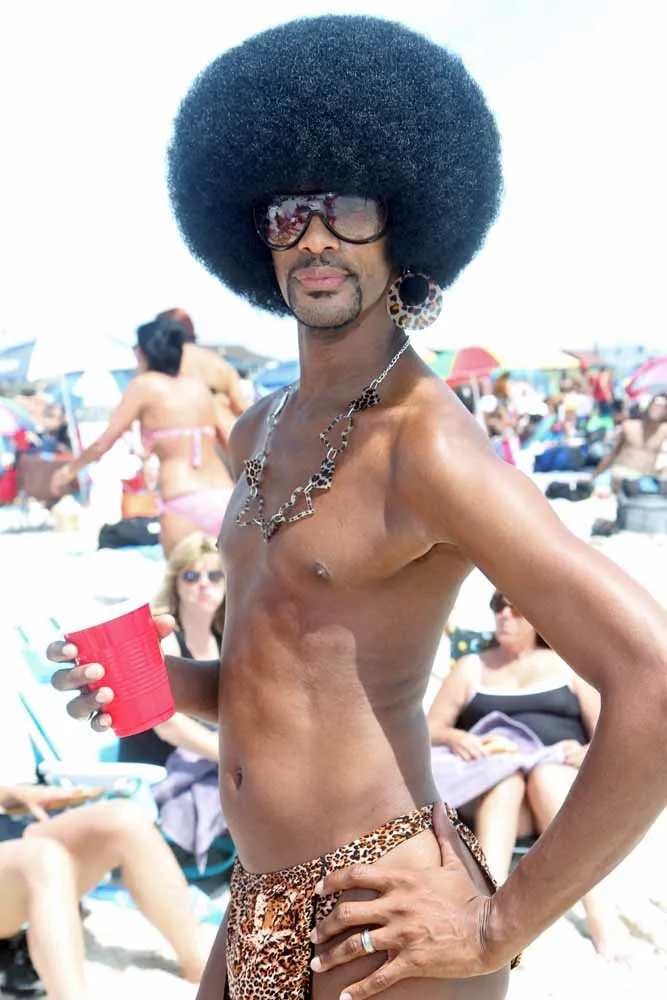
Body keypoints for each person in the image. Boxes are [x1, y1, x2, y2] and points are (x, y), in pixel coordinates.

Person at [49, 15, 667, 1000]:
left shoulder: (427, 447)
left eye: (344, 206)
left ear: (405, 220)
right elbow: (288, 676)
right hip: (258, 900)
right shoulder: (256, 429)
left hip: (380, 915)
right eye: (286, 213)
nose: (315, 237)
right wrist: (165, 683)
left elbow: (651, 677)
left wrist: (499, 922)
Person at [427, 591, 625, 958]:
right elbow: (430, 728)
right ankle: (489, 914)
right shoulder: (471, 667)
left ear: (536, 615)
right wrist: (456, 737)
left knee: (544, 776)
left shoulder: (568, 664)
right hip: (499, 789)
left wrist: (585, 752)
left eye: (516, 607)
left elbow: (610, 732)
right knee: (508, 782)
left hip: (560, 787)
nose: (505, 614)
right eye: (497, 606)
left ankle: (599, 915)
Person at [51, 317, 234, 553]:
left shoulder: (144, 386)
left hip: (181, 496)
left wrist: (69, 471)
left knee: (181, 574)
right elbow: (231, 440)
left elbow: (102, 444)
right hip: (223, 496)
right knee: (223, 574)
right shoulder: (199, 389)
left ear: (141, 352)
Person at [119, 531, 224, 766]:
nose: (203, 584)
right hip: (158, 769)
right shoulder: (163, 637)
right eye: (191, 576)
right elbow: (168, 725)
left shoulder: (225, 638)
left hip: (204, 765)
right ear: (175, 584)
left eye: (215, 575)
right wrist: (235, 757)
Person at [157, 308, 248, 454]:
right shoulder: (220, 363)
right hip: (229, 437)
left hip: (193, 441)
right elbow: (240, 406)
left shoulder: (166, 363)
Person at [592, 392, 667, 491]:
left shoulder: (664, 431)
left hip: (645, 480)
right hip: (620, 475)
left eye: (663, 406)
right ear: (649, 405)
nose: (658, 408)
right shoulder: (629, 426)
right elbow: (613, 454)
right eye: (656, 404)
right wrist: (594, 476)